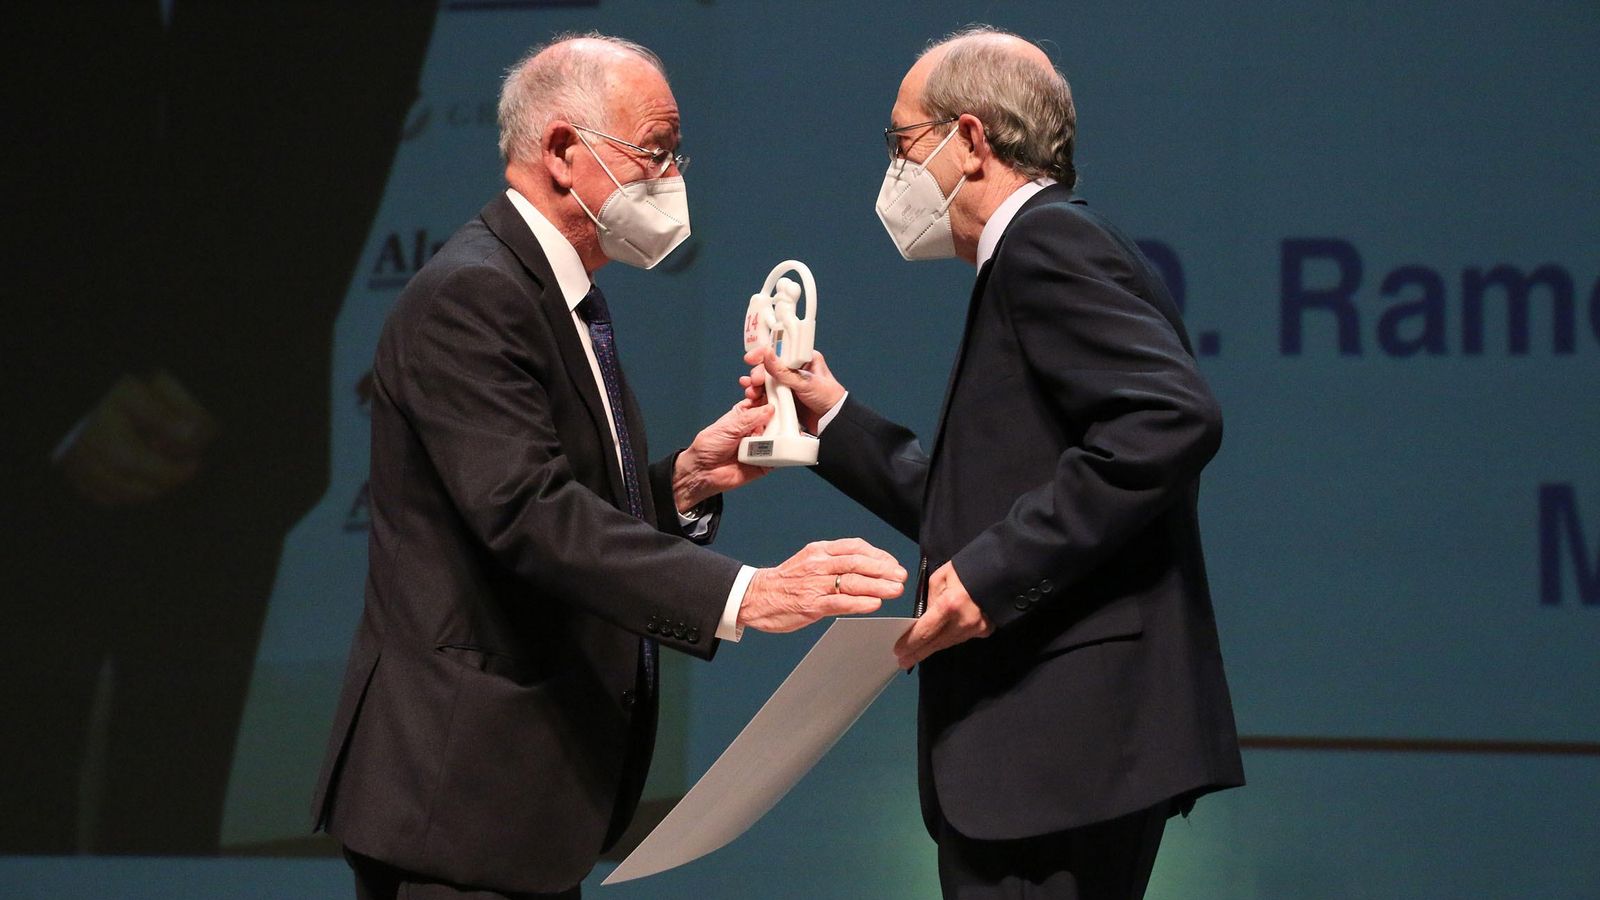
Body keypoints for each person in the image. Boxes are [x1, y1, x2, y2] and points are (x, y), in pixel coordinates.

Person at [311, 33, 907, 899]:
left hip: (523, 804)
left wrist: (685, 483)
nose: (671, 180)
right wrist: (749, 594)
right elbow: (529, 516)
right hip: (458, 799)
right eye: (655, 153)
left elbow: (569, 502)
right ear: (561, 151)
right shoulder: (473, 293)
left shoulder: (560, 291)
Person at [746, 26, 1244, 899]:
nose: (894, 174)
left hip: (1060, 745)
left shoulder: (1047, 243)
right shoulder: (1036, 252)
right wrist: (832, 419)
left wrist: (992, 572)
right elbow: (989, 500)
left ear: (971, 141)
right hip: (1058, 751)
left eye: (902, 145)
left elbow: (1171, 417)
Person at [0, 2, 435, 854]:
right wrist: (55, 400)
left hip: (230, 441)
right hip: (36, 421)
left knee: (169, 804)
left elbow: (339, 133)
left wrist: (206, 386)